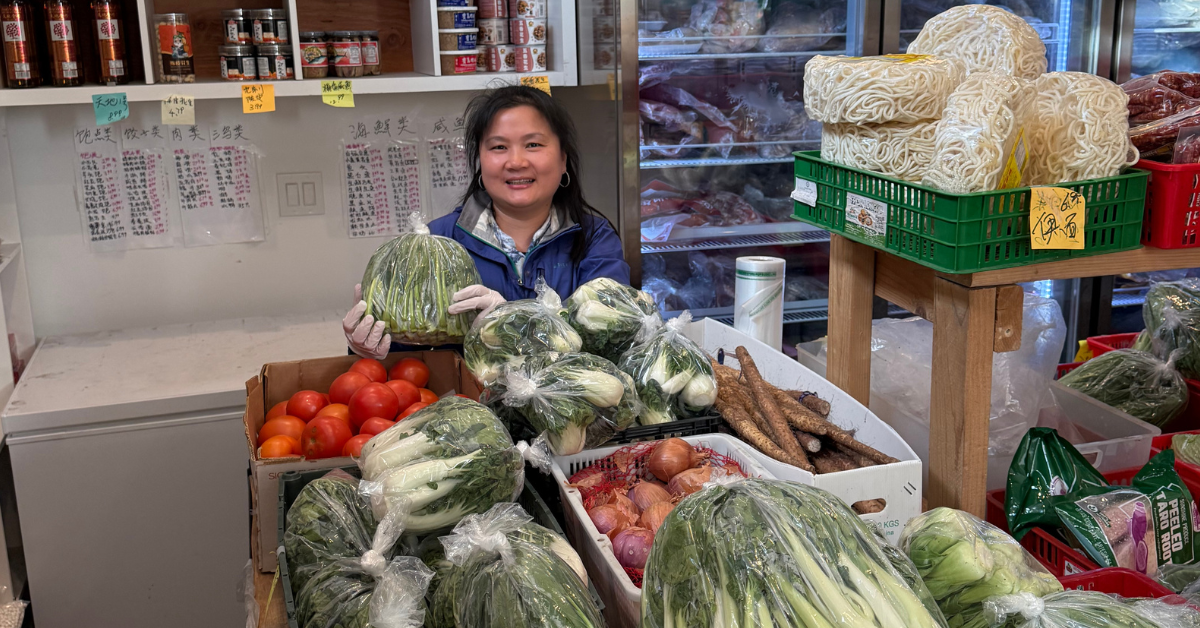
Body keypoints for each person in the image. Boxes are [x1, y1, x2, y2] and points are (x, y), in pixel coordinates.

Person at [343, 85, 631, 359]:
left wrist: (510, 322)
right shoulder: (434, 243)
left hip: (565, 407)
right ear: (480, 161)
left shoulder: (595, 239)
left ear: (563, 158)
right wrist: (370, 349)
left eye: (533, 144)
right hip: (465, 406)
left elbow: (612, 339)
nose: (516, 162)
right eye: (498, 147)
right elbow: (412, 363)